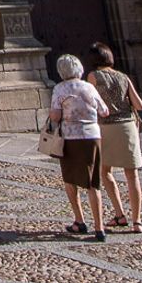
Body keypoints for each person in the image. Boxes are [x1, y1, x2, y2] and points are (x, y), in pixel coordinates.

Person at [48, 52, 111, 241]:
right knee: (93, 183)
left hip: (70, 138)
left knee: (70, 179)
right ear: (80, 69)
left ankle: (79, 220)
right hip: (92, 137)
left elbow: (55, 116)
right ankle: (99, 227)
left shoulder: (60, 89)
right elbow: (104, 111)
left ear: (61, 71)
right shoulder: (89, 87)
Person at [87, 41, 142, 232]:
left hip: (106, 127)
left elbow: (91, 103)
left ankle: (120, 214)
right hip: (127, 127)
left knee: (105, 171)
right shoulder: (123, 77)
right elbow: (140, 105)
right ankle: (137, 221)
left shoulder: (93, 76)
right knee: (132, 175)